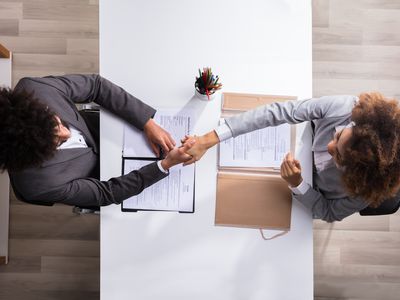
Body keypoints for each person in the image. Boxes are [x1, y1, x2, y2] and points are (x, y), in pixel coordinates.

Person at [182, 93, 400, 222]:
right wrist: (208, 139)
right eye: (339, 134)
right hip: (292, 141)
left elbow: (329, 212)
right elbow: (280, 111)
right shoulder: (346, 108)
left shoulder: (365, 191)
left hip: (299, 197)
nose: (329, 145)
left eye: (338, 155)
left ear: (356, 174)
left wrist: (298, 185)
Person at [0, 74, 193, 207]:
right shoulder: (37, 185)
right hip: (106, 177)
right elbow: (105, 193)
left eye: (56, 123)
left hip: (110, 128)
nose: (66, 134)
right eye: (57, 143)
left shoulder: (36, 89)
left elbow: (96, 85)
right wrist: (164, 165)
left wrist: (146, 122)